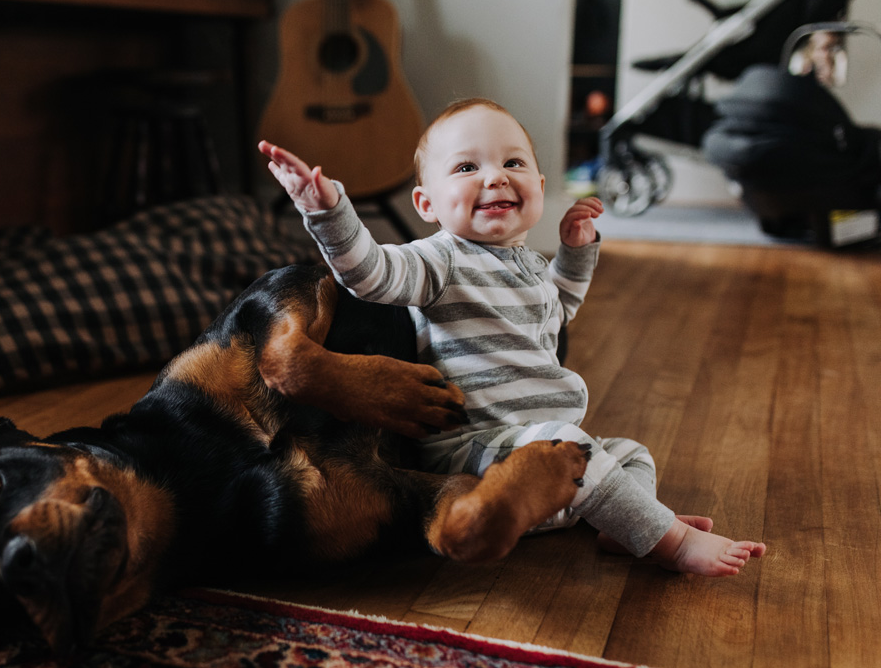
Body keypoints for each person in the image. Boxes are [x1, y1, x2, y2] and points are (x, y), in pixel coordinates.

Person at [259, 97, 766, 576]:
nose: (496, 176)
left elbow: (558, 309)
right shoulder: (440, 259)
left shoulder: (529, 265)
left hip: (545, 447)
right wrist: (326, 210)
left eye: (514, 163)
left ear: (541, 186)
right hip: (479, 452)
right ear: (426, 203)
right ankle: (669, 543)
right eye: (466, 168)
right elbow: (368, 273)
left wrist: (574, 253)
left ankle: (620, 526)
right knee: (571, 446)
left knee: (632, 453)